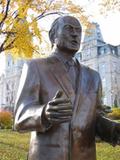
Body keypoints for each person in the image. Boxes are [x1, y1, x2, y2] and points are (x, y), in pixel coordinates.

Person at [14, 15, 120, 160]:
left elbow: (92, 119)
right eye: (68, 28)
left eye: (78, 30)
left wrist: (112, 130)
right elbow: (20, 117)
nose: (75, 34)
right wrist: (44, 113)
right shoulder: (35, 67)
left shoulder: (93, 76)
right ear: (53, 36)